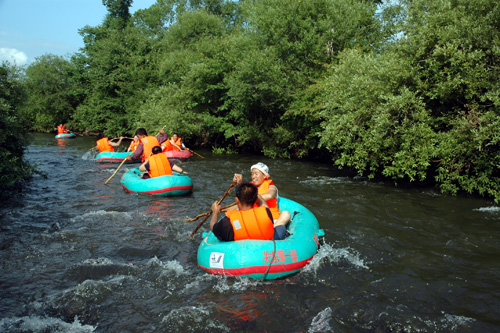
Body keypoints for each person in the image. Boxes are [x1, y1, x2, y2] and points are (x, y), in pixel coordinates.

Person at [210, 182, 288, 241]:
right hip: (267, 245)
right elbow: (263, 203)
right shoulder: (266, 212)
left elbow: (213, 226)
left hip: (241, 254)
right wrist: (254, 195)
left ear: (237, 200)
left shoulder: (228, 221)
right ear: (255, 199)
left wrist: (215, 212)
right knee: (281, 228)